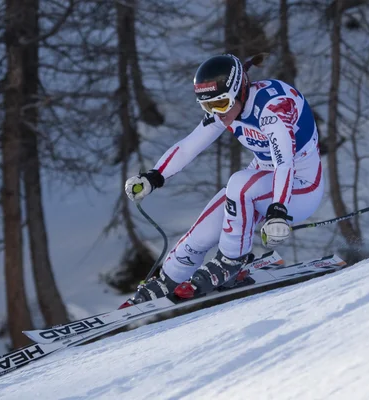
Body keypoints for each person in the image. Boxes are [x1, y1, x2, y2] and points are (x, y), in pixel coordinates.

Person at [120, 53, 324, 307]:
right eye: (207, 107)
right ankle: (168, 279)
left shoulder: (273, 108)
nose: (217, 114)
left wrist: (278, 210)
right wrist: (154, 176)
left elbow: (284, 164)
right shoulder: (227, 107)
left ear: (240, 91)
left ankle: (231, 261)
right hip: (260, 184)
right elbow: (188, 146)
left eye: (219, 105)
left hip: (299, 187)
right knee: (198, 236)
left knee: (238, 184)